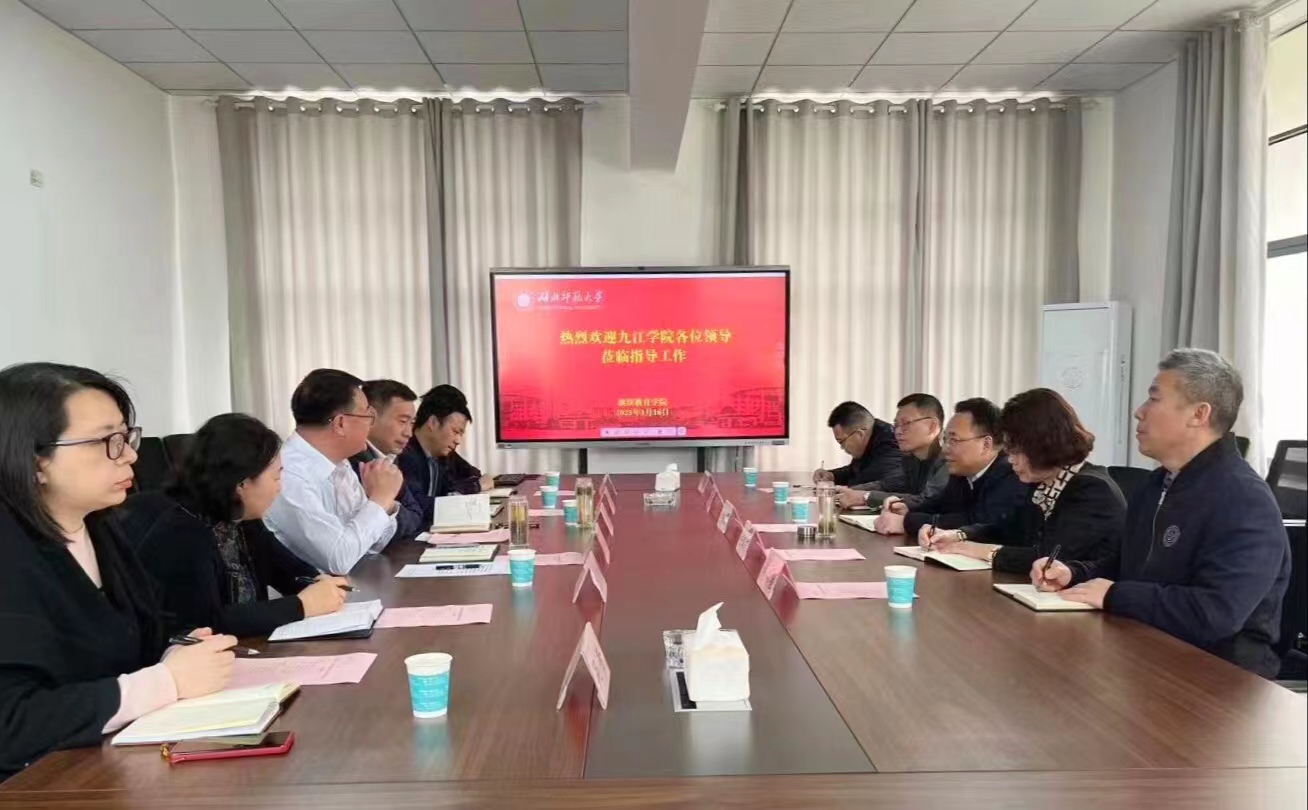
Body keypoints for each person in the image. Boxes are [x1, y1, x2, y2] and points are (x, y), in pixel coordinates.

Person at [0, 363, 234, 779]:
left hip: (111, 766)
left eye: (126, 437)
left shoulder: (98, 526)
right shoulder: (11, 553)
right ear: (36, 461)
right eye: (106, 441)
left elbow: (138, 635)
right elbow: (12, 725)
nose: (130, 455)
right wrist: (164, 682)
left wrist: (176, 649)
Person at [1033, 349, 1291, 678]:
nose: (1139, 411)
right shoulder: (1156, 483)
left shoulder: (1244, 499)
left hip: (1220, 680)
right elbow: (1127, 566)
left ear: (1199, 414)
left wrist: (1114, 595)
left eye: (1154, 399)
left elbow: (1214, 614)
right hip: (1146, 654)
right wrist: (1074, 574)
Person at [115, 414, 350, 638]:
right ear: (242, 484)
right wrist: (301, 605)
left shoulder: (243, 520)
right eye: (276, 477)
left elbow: (290, 573)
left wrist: (320, 584)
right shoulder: (182, 534)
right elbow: (208, 621)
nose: (280, 487)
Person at [926, 388, 1125, 574]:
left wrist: (977, 550)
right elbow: (1009, 530)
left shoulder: (1092, 489)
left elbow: (1047, 558)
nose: (1010, 459)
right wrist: (958, 535)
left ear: (1042, 444)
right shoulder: (1043, 483)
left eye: (1015, 450)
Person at [263, 369, 404, 574]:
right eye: (367, 415)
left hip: (351, 586)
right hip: (306, 592)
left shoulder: (341, 464)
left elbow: (372, 546)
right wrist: (380, 499)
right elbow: (338, 560)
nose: (370, 425)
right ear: (340, 423)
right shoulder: (288, 473)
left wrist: (384, 503)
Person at [874, 398, 1029, 540]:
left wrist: (907, 522)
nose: (945, 449)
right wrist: (906, 509)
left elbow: (978, 522)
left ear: (986, 444)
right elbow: (941, 506)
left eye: (954, 440)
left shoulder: (1011, 473)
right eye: (945, 439)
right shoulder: (962, 472)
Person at [397, 385, 493, 528]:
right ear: (433, 423)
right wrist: (476, 486)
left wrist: (459, 490)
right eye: (455, 431)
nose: (458, 440)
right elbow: (420, 506)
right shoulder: (404, 455)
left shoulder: (442, 452)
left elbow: (472, 474)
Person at [835, 393, 948, 510]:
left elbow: (925, 501)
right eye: (896, 425)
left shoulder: (950, 458)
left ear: (932, 427)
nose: (897, 431)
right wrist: (848, 491)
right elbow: (887, 485)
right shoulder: (911, 458)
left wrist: (866, 497)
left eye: (906, 423)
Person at [349, 380, 425, 540]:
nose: (409, 433)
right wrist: (390, 507)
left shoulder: (391, 458)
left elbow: (416, 514)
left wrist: (389, 506)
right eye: (402, 421)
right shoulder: (352, 459)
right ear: (371, 417)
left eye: (412, 423)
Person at [813, 401, 901, 487]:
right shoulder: (872, 437)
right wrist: (832, 475)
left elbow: (865, 481)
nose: (842, 447)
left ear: (860, 434)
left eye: (842, 442)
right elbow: (854, 471)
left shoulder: (891, 444)